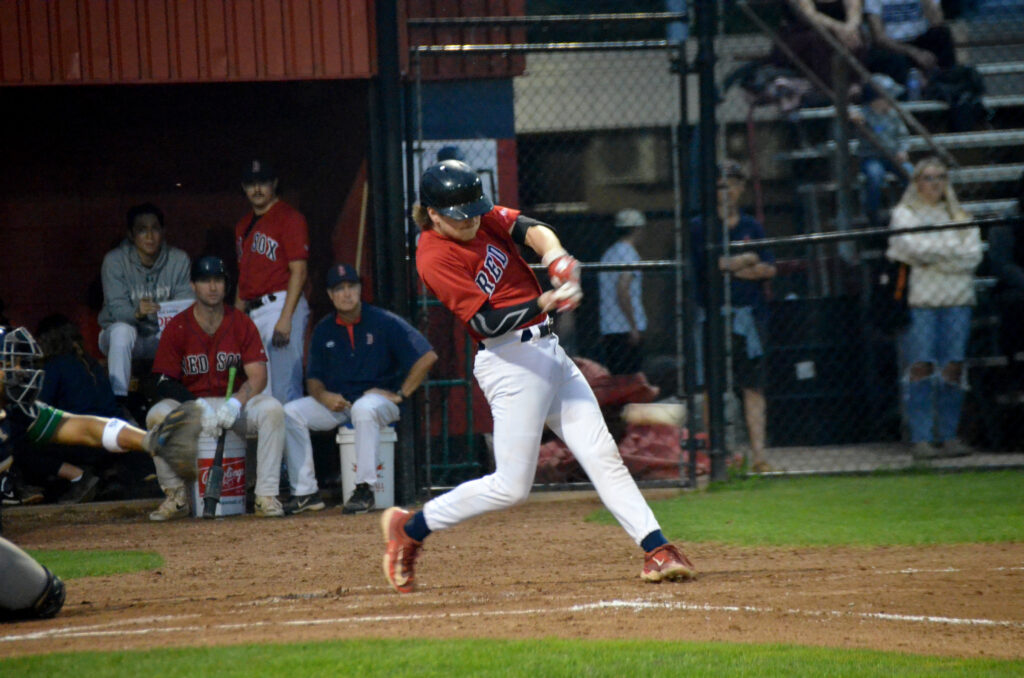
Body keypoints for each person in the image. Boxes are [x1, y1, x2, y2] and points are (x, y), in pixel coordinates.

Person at [380, 158, 695, 595]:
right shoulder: (433, 254)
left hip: (548, 352)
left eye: (474, 211)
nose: (471, 220)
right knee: (511, 488)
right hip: (509, 362)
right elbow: (487, 323)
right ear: (432, 213)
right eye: (459, 216)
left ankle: (657, 549)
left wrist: (557, 258)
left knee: (601, 453)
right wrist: (547, 301)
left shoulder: (475, 213)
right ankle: (410, 528)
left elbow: (529, 227)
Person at [0, 325, 158, 621]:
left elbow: (85, 428)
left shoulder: (18, 412)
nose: (19, 372)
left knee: (48, 595)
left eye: (21, 363)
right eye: (9, 364)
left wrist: (150, 442)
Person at [283, 263, 437, 515]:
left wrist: (401, 393)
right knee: (290, 412)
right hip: (341, 403)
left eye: (351, 287)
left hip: (379, 402)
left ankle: (365, 488)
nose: (346, 293)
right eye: (339, 289)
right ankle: (305, 493)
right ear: (331, 295)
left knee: (364, 409)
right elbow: (313, 379)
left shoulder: (383, 321)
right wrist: (324, 396)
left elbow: (427, 356)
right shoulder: (324, 329)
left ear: (359, 289)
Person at [145, 255, 290, 520]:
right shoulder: (178, 326)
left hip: (231, 405)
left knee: (273, 409)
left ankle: (266, 495)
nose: (212, 287)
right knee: (156, 415)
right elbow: (162, 382)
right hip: (193, 405)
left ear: (226, 285)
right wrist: (195, 406)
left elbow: (258, 376)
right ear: (193, 286)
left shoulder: (241, 323)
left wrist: (236, 402)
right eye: (205, 281)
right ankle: (176, 496)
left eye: (218, 281)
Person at [886, 156, 982, 459]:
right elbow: (906, 249)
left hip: (957, 299)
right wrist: (948, 253)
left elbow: (972, 256)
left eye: (940, 177)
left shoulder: (960, 214)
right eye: (928, 177)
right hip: (920, 300)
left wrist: (931, 256)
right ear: (917, 182)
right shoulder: (904, 214)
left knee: (953, 366)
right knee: (921, 366)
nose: (935, 183)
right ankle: (922, 438)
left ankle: (949, 435)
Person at [10, 315, 154, 504]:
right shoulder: (92, 363)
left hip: (83, 442)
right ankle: (105, 478)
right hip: (111, 441)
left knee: (21, 440)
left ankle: (76, 478)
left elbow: (34, 412)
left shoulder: (55, 365)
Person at [690, 161, 777, 473]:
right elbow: (711, 266)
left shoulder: (752, 227)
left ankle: (759, 456)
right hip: (712, 317)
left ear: (741, 189)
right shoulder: (701, 226)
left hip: (748, 317)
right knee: (712, 387)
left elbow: (768, 268)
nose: (727, 191)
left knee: (753, 386)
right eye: (721, 185)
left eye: (733, 185)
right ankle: (718, 457)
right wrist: (744, 260)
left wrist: (734, 264)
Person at [233, 159, 310, 405]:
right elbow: (243, 281)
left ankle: (293, 445)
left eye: (263, 183)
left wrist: (286, 318)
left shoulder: (290, 218)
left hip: (282, 303)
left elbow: (299, 271)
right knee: (261, 399)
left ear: (274, 184)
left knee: (285, 394)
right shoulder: (242, 226)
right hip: (254, 313)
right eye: (251, 184)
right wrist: (236, 322)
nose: (257, 189)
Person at [98, 203, 193, 401]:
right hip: (119, 337)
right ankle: (119, 400)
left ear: (163, 231)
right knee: (122, 331)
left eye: (155, 229)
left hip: (158, 336)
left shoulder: (178, 259)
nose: (150, 236)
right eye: (142, 230)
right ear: (131, 235)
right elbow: (116, 309)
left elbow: (187, 304)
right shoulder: (115, 260)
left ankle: (183, 398)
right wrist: (137, 313)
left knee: (186, 333)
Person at [849, 74, 915, 227]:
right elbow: (851, 126)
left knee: (910, 172)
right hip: (872, 157)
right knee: (874, 176)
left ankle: (913, 209)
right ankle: (872, 212)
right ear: (876, 99)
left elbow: (902, 136)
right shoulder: (863, 115)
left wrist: (902, 150)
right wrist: (854, 121)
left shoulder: (893, 115)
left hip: (893, 156)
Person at [768, 0, 866, 93]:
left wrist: (851, 28)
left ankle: (855, 85)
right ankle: (828, 90)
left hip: (841, 36)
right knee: (821, 39)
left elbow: (854, 10)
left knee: (857, 37)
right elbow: (808, 14)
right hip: (801, 35)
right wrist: (838, 28)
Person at [598, 208, 649, 374]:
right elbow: (623, 289)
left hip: (610, 326)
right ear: (637, 229)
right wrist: (633, 325)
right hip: (625, 328)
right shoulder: (630, 253)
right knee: (631, 376)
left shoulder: (609, 253)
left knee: (617, 376)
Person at [862, 0, 956, 88]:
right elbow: (879, 38)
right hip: (892, 45)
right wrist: (914, 52)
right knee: (890, 59)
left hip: (919, 39)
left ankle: (948, 83)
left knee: (942, 34)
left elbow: (937, 22)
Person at [988, 171, 1024, 378]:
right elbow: (1002, 264)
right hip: (1016, 287)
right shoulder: (1008, 220)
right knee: (1015, 302)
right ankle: (1014, 373)